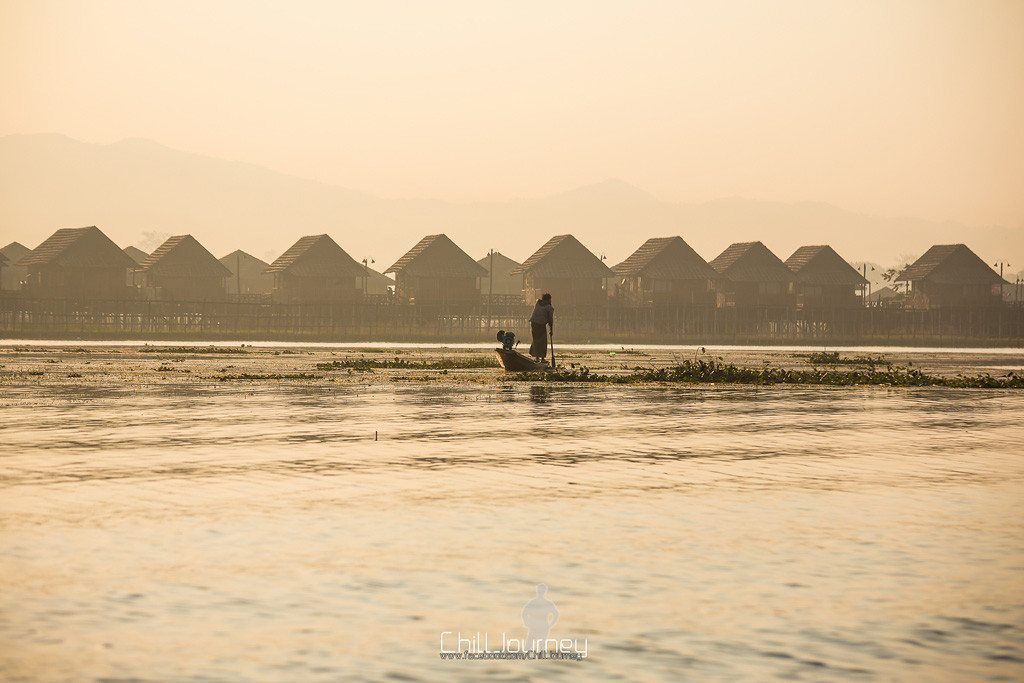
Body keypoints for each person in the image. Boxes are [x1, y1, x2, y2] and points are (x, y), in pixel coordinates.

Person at [529, 293, 554, 361]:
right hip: (540, 324)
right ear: (548, 300)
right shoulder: (549, 308)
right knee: (543, 341)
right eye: (550, 300)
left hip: (533, 323)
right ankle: (542, 358)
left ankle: (537, 357)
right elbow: (550, 320)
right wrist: (551, 330)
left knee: (536, 340)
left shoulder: (538, 303)